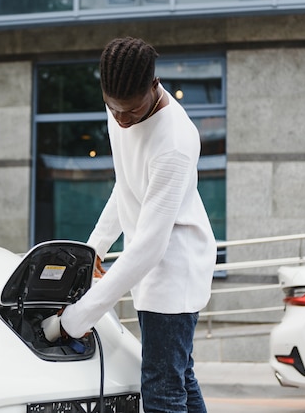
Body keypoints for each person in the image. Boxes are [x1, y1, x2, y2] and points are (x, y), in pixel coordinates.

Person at [43, 37, 217, 412]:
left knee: (161, 390)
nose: (122, 120)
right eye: (113, 109)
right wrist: (93, 253)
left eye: (131, 112)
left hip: (175, 271)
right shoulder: (123, 101)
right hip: (150, 269)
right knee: (179, 377)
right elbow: (126, 186)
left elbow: (150, 248)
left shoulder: (175, 141)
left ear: (154, 87)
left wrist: (78, 316)